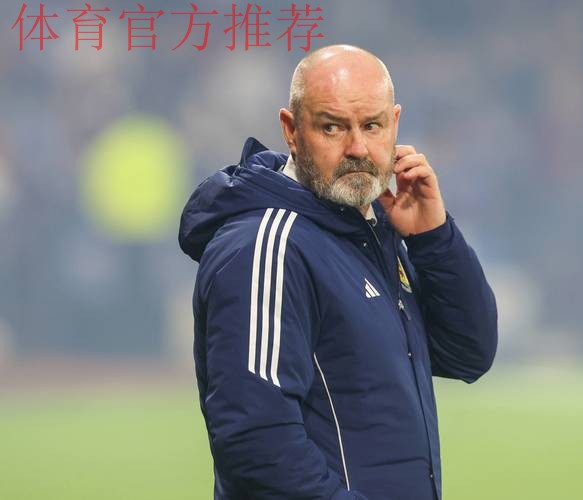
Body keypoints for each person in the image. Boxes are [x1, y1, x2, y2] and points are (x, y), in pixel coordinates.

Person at [179, 44, 498, 500]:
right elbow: (256, 443)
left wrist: (434, 238)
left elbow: (468, 354)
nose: (357, 148)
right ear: (291, 130)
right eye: (332, 127)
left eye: (372, 125)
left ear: (395, 124)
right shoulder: (266, 246)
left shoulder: (373, 230)